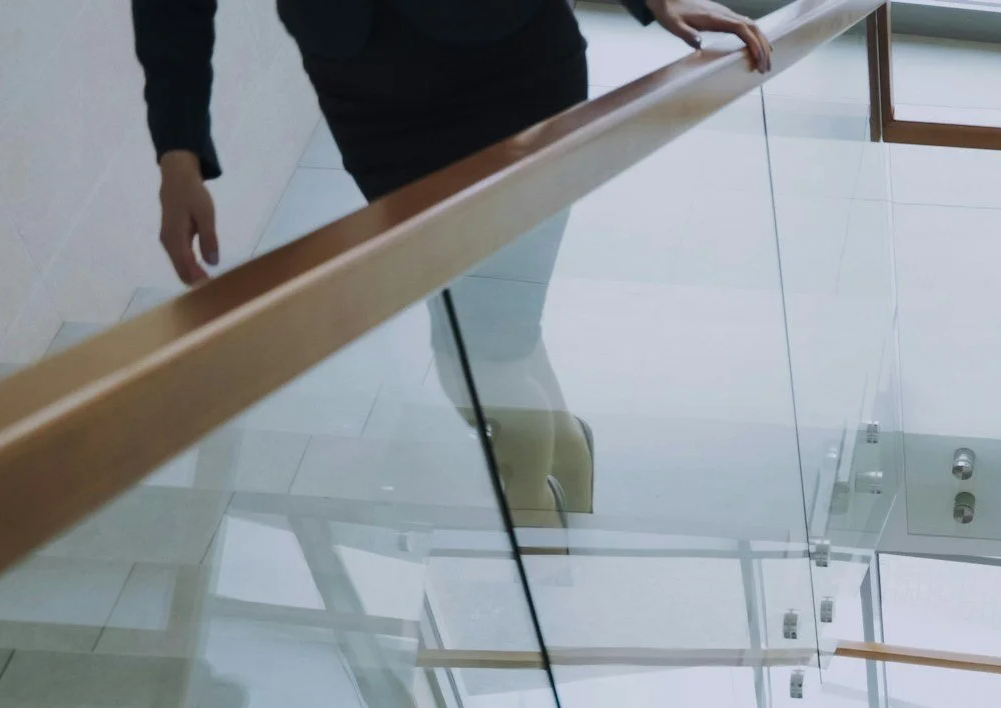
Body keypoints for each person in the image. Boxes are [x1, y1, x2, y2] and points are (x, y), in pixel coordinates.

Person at [132, 0, 771, 517]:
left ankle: (537, 543)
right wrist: (178, 150)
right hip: (371, 111)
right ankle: (570, 456)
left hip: (514, 77)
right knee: (494, 328)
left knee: (477, 366)